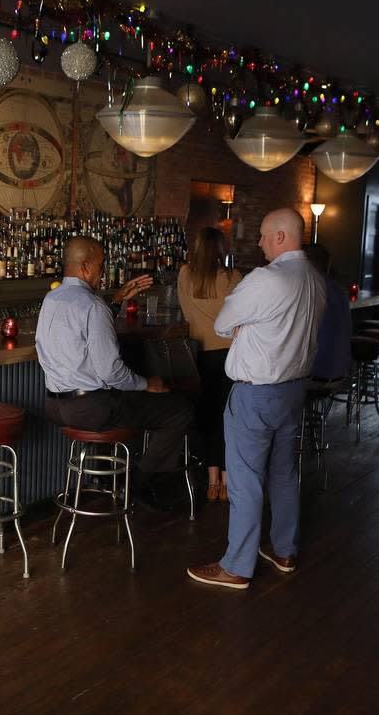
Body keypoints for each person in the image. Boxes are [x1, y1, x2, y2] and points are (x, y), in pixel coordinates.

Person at [187, 208, 324, 590]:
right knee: (283, 473)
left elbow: (221, 324)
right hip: (294, 389)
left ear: (281, 237)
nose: (259, 242)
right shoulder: (315, 279)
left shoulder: (266, 279)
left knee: (246, 480)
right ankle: (284, 549)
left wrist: (249, 326)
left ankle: (237, 566)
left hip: (257, 392)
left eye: (263, 235)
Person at [37, 236, 195, 496]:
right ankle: (139, 485)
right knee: (179, 409)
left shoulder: (51, 300)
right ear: (86, 267)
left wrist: (118, 299)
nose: (103, 271)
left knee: (116, 397)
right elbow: (111, 372)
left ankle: (103, 479)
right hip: (91, 410)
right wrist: (147, 384)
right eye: (101, 265)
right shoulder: (93, 306)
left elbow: (83, 331)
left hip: (55, 406)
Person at [177, 227, 242, 502]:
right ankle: (226, 481)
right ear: (220, 249)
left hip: (197, 354)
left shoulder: (184, 275)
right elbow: (242, 316)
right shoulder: (232, 277)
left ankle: (211, 480)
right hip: (229, 355)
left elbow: (184, 312)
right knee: (228, 417)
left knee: (206, 417)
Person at [302, 244, 351, 384]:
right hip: (340, 373)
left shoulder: (311, 290)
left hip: (315, 374)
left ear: (308, 264)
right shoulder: (338, 290)